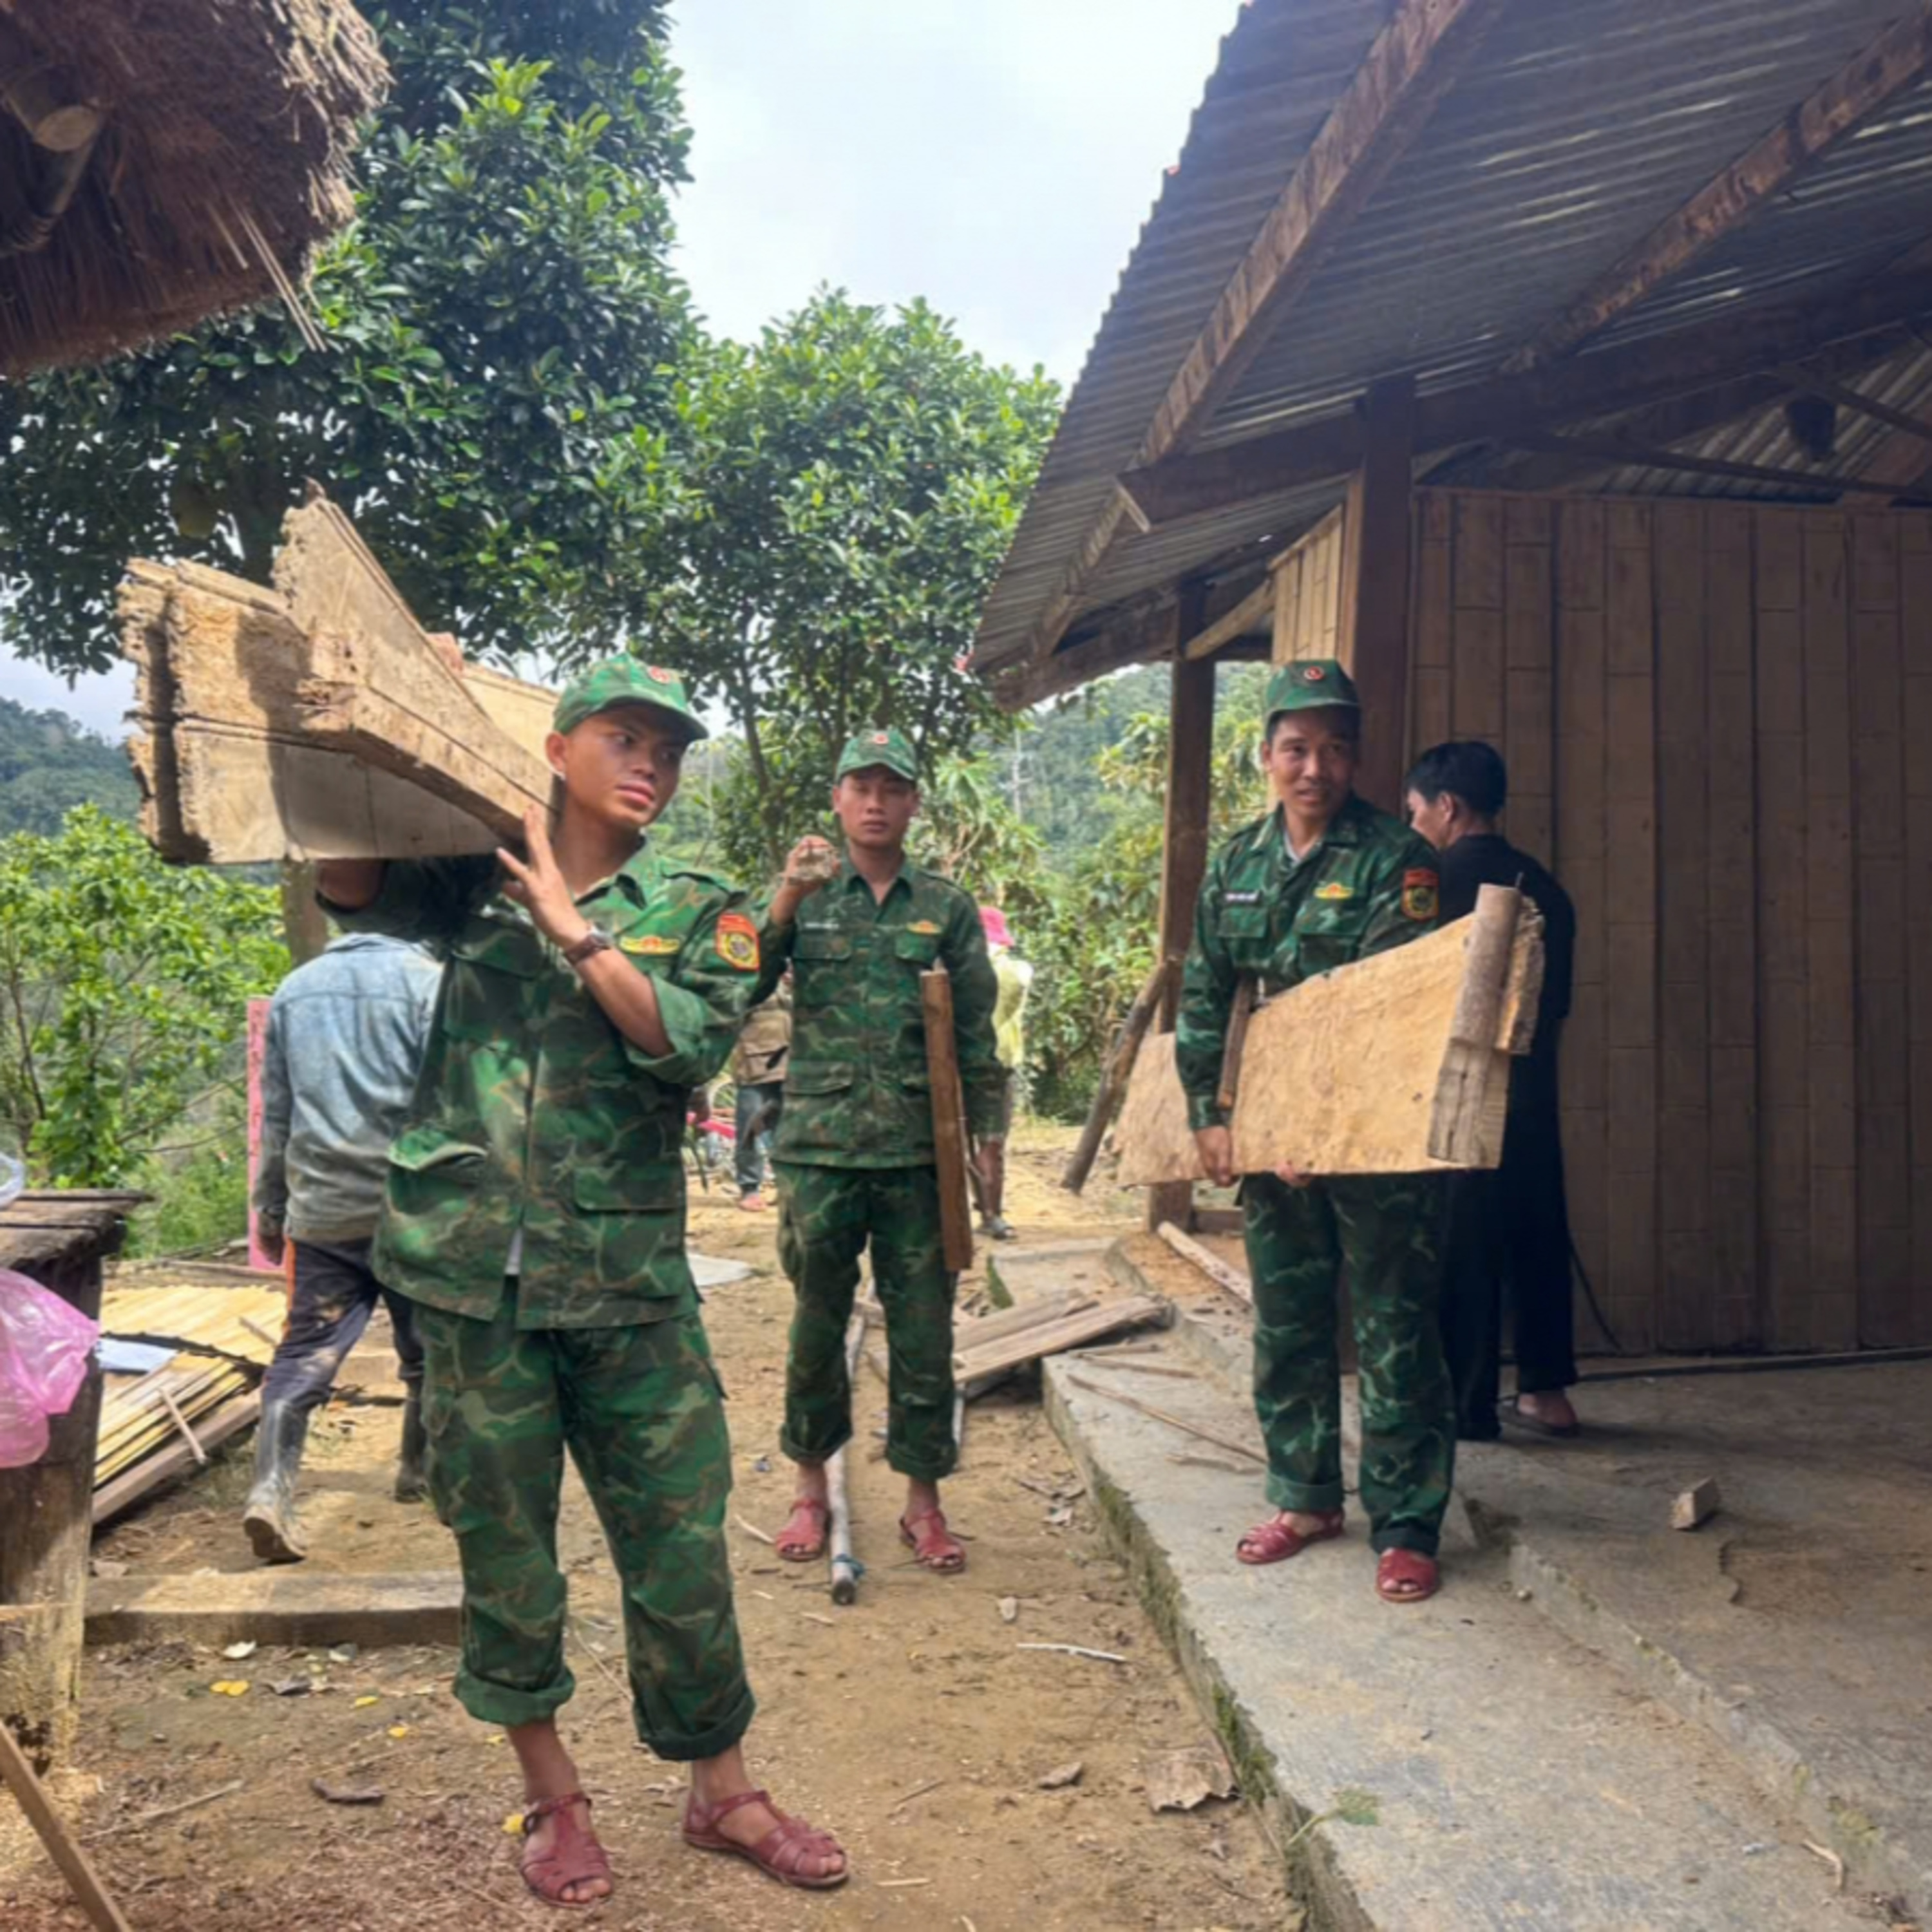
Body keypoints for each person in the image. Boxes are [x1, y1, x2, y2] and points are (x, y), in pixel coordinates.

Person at [315, 656, 847, 1904]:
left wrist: (581, 932)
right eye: (624, 738)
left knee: (678, 1549)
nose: (651, 763)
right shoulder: (468, 876)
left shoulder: (704, 902)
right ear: (560, 752)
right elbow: (347, 874)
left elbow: (687, 1045)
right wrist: (355, 736)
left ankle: (724, 1790)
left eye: (668, 746)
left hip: (626, 1281)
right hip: (470, 1278)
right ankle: (553, 1799)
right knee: (506, 1552)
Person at [1177, 659, 1456, 1606]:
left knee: (1394, 1328)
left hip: (1375, 1140)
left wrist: (1325, 1129)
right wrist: (1210, 1117)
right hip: (1270, 1141)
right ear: (1266, 757)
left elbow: (1384, 1010)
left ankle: (1408, 1521)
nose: (1315, 767)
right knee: (1290, 1324)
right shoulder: (1238, 863)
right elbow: (1210, 993)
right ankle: (1304, 1498)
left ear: (1357, 759)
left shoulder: (1398, 858)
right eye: (1296, 748)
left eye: (1335, 749)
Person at [758, 727, 1005, 1577]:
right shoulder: (807, 898)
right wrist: (786, 899)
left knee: (925, 1333)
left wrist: (990, 1139)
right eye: (859, 785)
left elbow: (977, 1029)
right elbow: (743, 977)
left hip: (917, 1158)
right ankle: (805, 1489)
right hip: (819, 1153)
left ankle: (923, 1504)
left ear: (913, 804)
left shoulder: (945, 906)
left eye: (891, 788)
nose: (874, 802)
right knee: (815, 1330)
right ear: (837, 798)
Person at [245, 933, 443, 1564]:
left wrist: (271, 1211)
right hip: (411, 1209)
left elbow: (276, 1116)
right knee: (431, 1354)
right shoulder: (427, 980)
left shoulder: (294, 990)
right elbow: (450, 1103)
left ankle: (269, 1494)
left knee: (304, 1356)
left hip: (324, 1213)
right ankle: (420, 1473)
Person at [1405, 741, 1581, 1441]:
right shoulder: (1549, 888)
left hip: (1458, 1090)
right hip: (1534, 1090)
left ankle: (1466, 1405)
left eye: (1416, 811)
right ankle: (1548, 1394)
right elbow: (1558, 1004)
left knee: (1464, 1239)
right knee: (1539, 1231)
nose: (1413, 824)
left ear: (1447, 807)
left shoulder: (1430, 885)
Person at [974, 906, 1032, 1242]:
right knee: (991, 1143)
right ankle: (991, 1213)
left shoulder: (959, 969)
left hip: (966, 1066)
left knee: (973, 1142)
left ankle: (987, 1212)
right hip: (995, 1067)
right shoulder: (1013, 971)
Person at [730, 979, 791, 1212]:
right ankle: (750, 1187)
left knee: (787, 1131)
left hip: (788, 1064)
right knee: (750, 1131)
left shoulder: (787, 980)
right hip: (754, 1066)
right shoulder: (748, 980)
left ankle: (786, 1187)